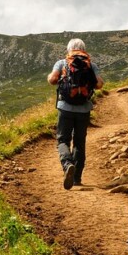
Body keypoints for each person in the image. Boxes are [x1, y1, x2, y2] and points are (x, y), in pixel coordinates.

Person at [48, 38, 103, 189]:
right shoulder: (91, 64)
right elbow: (99, 84)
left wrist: (58, 77)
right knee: (80, 142)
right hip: (84, 109)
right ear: (83, 49)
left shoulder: (62, 63)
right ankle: (77, 178)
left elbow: (52, 80)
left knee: (63, 140)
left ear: (69, 49)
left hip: (65, 107)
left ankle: (67, 165)